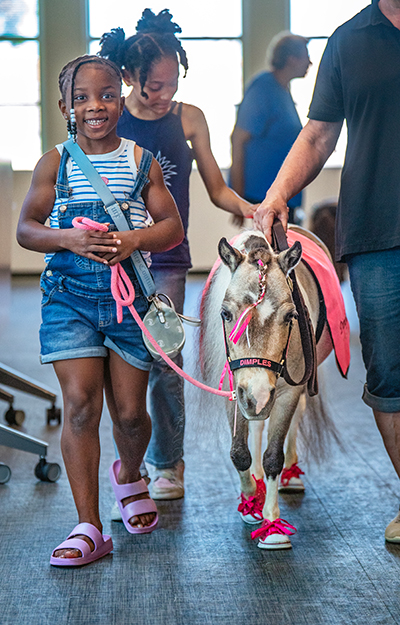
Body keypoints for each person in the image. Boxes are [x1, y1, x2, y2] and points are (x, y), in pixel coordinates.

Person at [16, 55, 184, 566]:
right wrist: (66, 238)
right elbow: (26, 229)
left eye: (107, 95)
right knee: (83, 405)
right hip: (69, 296)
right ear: (67, 106)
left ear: (121, 96)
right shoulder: (55, 162)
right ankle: (88, 525)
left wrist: (134, 239)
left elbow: (171, 227)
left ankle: (129, 474)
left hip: (128, 295)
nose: (96, 106)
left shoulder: (141, 160)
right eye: (84, 98)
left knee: (132, 415)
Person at [253, 0, 400, 542]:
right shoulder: (348, 40)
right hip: (378, 231)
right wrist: (275, 196)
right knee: (388, 373)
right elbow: (318, 133)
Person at [98, 8, 255, 502]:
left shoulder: (189, 117)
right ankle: (131, 459)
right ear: (129, 77)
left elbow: (215, 188)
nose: (164, 94)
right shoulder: (111, 116)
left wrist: (254, 207)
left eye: (171, 83)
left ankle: (168, 462)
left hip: (165, 258)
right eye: (153, 86)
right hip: (111, 257)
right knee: (120, 359)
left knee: (166, 358)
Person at [230, 32, 310, 223]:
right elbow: (238, 139)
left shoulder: (283, 91)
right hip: (263, 199)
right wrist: (238, 200)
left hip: (285, 197)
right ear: (291, 58)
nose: (310, 63)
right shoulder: (263, 88)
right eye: (306, 57)